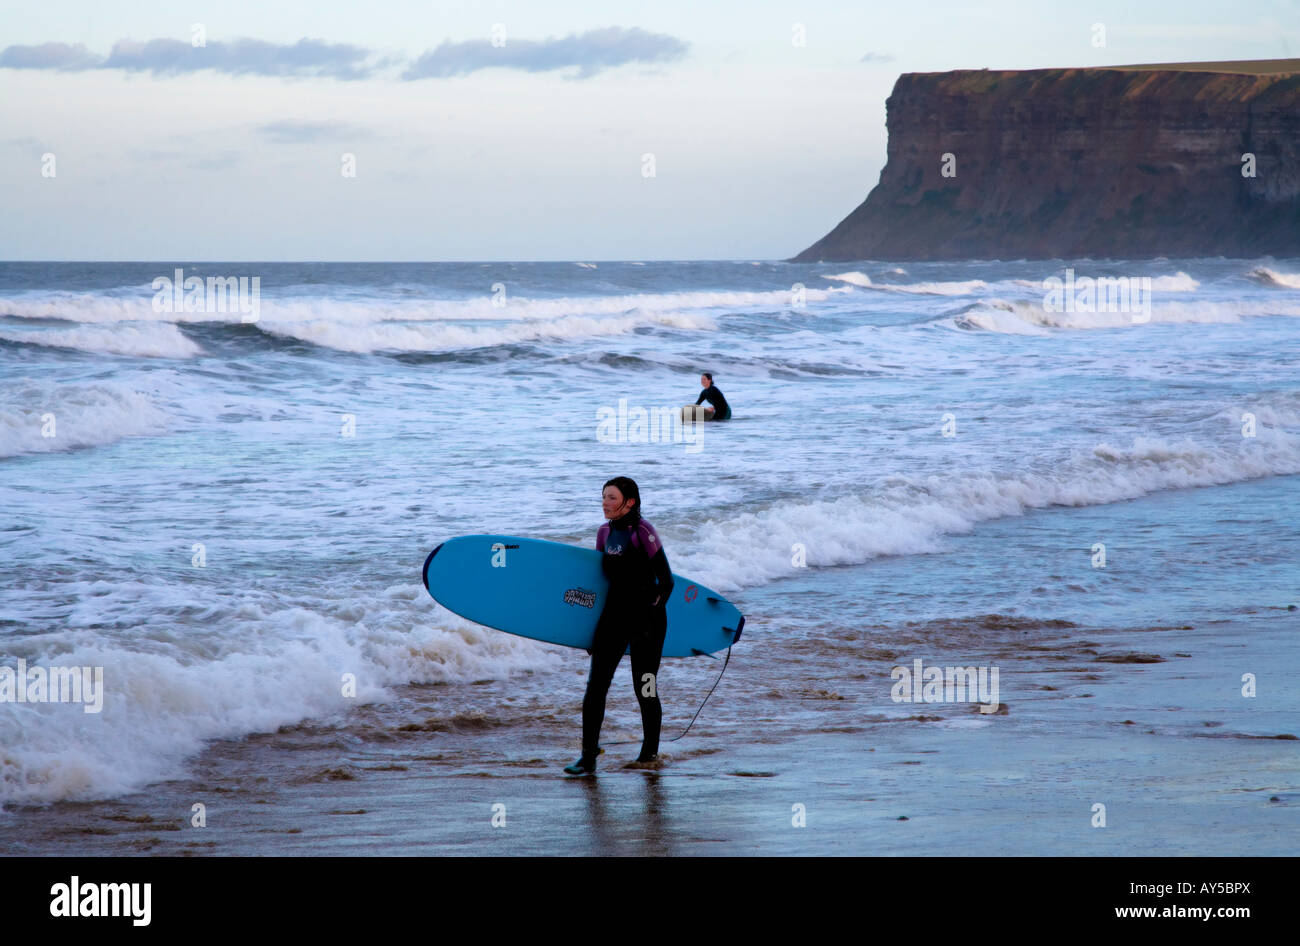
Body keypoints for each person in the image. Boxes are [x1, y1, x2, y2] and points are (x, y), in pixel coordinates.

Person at [564, 477, 673, 775]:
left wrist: (648, 617)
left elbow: (666, 582)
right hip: (612, 618)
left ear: (630, 502)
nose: (604, 503)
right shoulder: (603, 533)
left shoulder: (643, 532)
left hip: (647, 622)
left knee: (645, 687)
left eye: (611, 498)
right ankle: (588, 756)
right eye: (603, 497)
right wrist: (589, 630)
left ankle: (649, 753)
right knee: (595, 687)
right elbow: (598, 586)